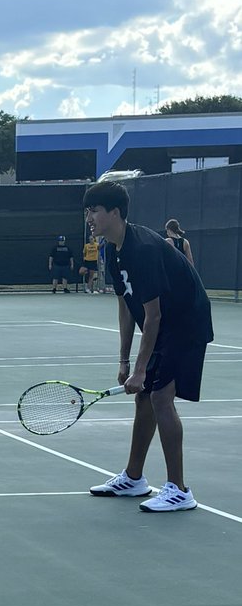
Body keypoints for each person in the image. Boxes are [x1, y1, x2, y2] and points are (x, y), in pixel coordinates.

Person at [82, 179, 213, 512]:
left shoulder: (143, 249)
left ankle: (179, 490)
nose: (89, 218)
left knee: (158, 395)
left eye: (94, 210)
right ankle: (134, 478)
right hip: (166, 323)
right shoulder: (113, 249)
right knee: (143, 398)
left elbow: (153, 317)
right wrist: (125, 361)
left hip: (186, 322)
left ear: (115, 212)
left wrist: (142, 369)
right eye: (87, 211)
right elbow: (127, 305)